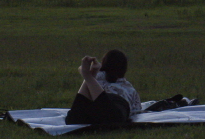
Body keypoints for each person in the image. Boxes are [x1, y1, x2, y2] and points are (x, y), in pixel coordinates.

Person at [64, 49, 196, 125]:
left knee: (73, 119)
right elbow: (136, 109)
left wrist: (91, 75)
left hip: (97, 105)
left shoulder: (98, 78)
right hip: (114, 106)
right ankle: (88, 75)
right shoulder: (127, 87)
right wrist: (89, 76)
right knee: (111, 118)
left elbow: (82, 73)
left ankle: (88, 75)